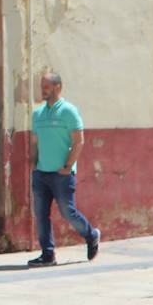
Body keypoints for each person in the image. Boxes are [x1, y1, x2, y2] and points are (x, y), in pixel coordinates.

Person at [28, 72, 100, 267]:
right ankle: (47, 254)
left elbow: (79, 141)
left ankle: (91, 234)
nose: (43, 89)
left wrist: (68, 166)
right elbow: (34, 141)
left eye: (47, 86)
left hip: (61, 174)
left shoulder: (69, 111)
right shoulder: (38, 114)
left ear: (58, 87)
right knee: (41, 214)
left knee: (67, 212)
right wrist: (33, 165)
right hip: (41, 174)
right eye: (42, 85)